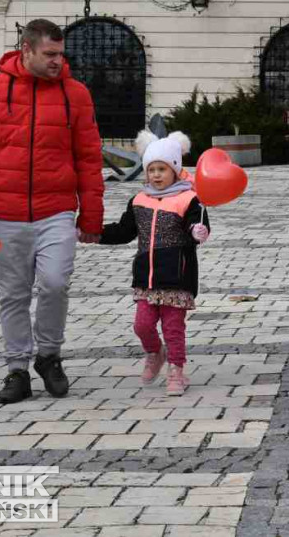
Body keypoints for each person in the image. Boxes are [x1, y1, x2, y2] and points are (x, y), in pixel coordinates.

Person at [0, 19, 105, 404]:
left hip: (57, 212)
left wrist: (92, 216)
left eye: (60, 54)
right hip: (4, 214)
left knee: (54, 283)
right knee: (13, 295)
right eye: (50, 54)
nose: (57, 61)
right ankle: (17, 368)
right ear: (27, 49)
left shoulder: (76, 94)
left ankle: (49, 356)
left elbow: (88, 158)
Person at [100, 130, 210, 396]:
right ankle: (154, 353)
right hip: (146, 278)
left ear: (175, 170)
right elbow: (125, 231)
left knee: (173, 328)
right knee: (142, 325)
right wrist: (95, 233)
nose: (157, 175)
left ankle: (176, 370)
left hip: (176, 277)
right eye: (152, 170)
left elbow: (198, 223)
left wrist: (198, 231)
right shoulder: (139, 200)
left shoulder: (188, 199)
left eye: (163, 169)